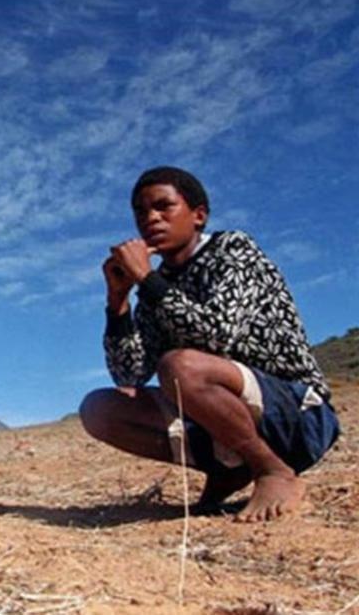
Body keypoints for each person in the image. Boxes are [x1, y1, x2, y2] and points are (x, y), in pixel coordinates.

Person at [79, 166, 340, 522]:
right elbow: (130, 374)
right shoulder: (158, 286)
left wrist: (146, 279)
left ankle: (273, 470)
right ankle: (230, 470)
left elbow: (216, 335)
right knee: (99, 409)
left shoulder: (234, 250)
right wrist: (118, 302)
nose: (149, 218)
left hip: (297, 416)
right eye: (140, 212)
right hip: (224, 418)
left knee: (179, 366)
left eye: (163, 206)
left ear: (198, 215)